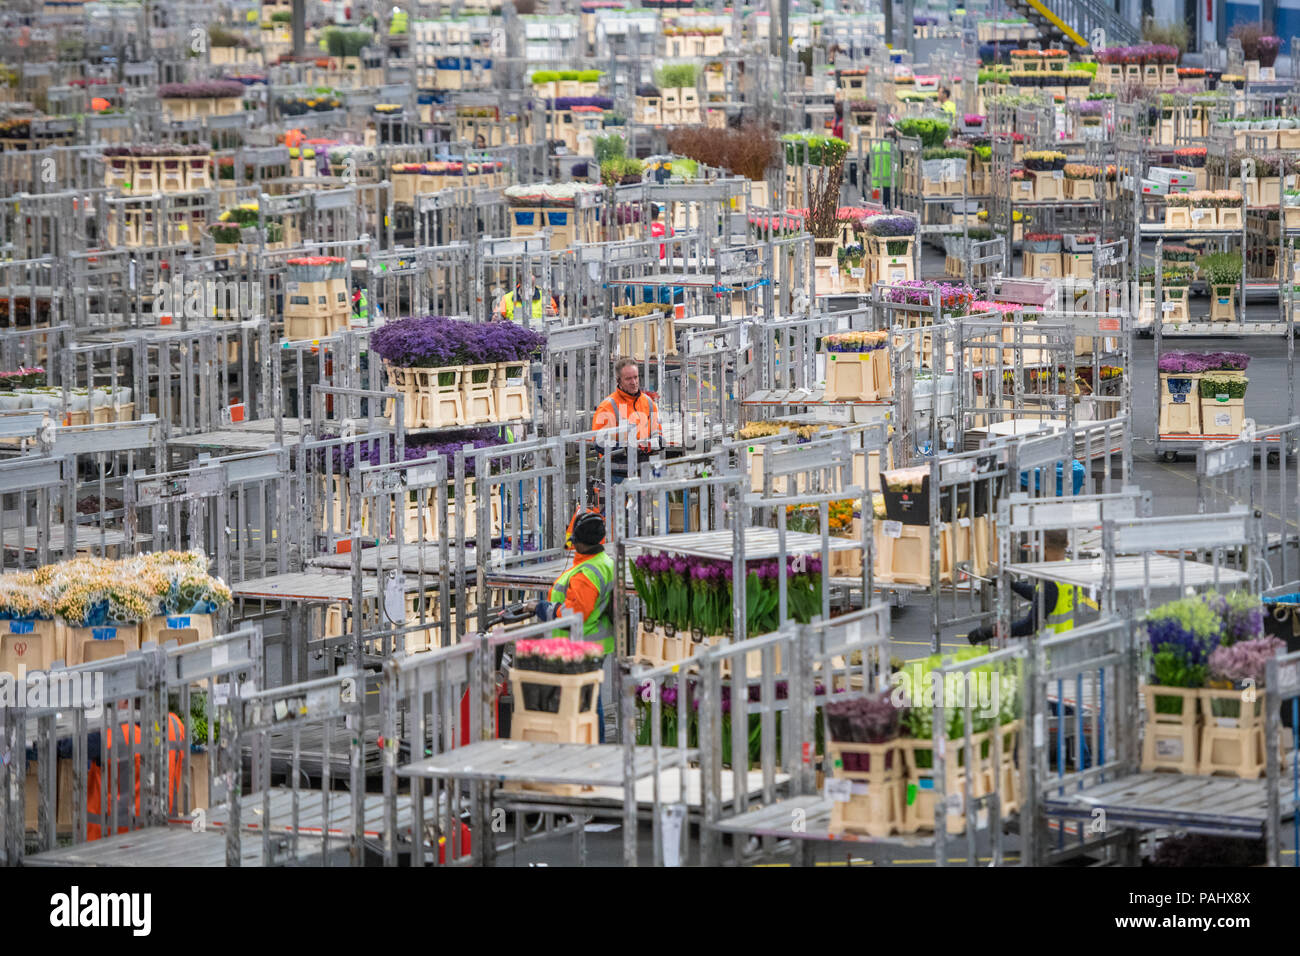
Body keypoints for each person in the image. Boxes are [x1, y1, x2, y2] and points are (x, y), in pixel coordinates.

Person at [531, 511, 617, 742]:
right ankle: (589, 743)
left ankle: (592, 746)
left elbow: (574, 613)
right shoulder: (603, 562)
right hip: (593, 643)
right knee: (589, 699)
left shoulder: (586, 574)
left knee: (587, 703)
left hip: (580, 645)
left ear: (578, 542)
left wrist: (542, 608)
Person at [966, 529, 1084, 643]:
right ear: (1066, 543)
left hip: (1052, 651)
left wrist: (990, 632)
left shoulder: (1050, 581)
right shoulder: (1070, 569)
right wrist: (1012, 585)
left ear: (1044, 547)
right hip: (1070, 645)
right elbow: (1043, 596)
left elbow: (1029, 626)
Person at [86, 710, 186, 840]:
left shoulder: (110, 733)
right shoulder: (175, 724)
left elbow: (64, 746)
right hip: (160, 835)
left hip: (112, 842)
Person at [591, 358, 663, 482]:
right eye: (628, 379)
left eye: (635, 377)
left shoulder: (648, 402)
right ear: (619, 381)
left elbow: (657, 432)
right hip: (618, 475)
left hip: (644, 472)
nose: (633, 382)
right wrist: (625, 449)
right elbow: (599, 442)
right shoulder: (608, 406)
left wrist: (655, 443)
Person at [869, 134, 895, 208]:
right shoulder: (895, 149)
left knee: (876, 207)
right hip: (891, 184)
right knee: (891, 210)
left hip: (876, 184)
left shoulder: (875, 147)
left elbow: (867, 164)